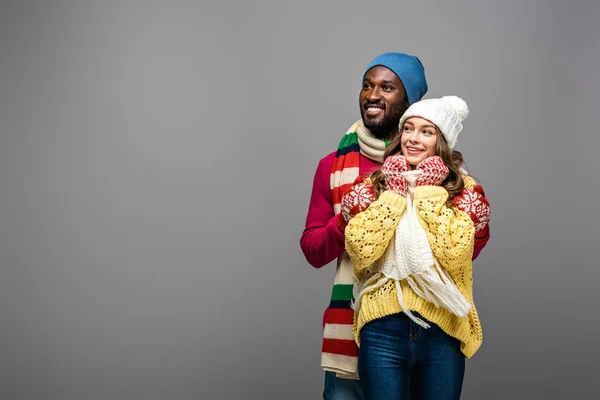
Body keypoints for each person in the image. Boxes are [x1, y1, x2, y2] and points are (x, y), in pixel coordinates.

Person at [299, 52, 489, 399]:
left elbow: (463, 252)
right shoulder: (336, 166)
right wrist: (356, 211)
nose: (373, 95)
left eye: (387, 88)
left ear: (411, 103)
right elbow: (314, 249)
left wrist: (431, 192)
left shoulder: (455, 181)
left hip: (435, 322)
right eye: (367, 86)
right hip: (362, 322)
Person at [341, 96, 491, 399]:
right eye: (408, 128)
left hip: (442, 327)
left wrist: (425, 191)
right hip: (382, 328)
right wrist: (394, 193)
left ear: (442, 141)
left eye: (427, 131)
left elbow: (455, 253)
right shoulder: (370, 186)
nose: (413, 138)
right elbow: (360, 249)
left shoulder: (466, 190)